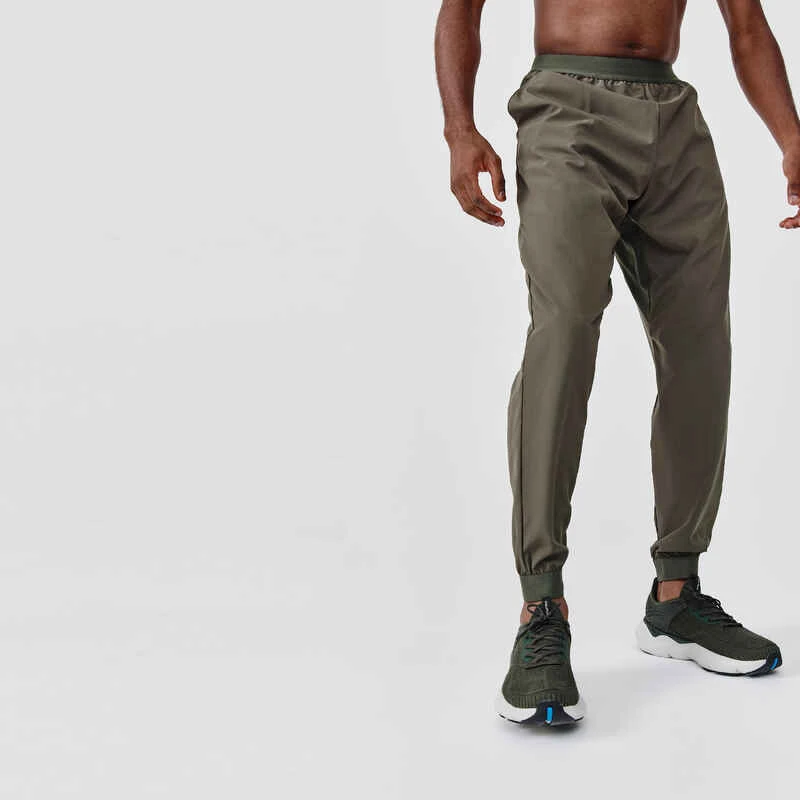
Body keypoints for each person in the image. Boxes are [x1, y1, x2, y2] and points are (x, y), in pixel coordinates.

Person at [434, 0, 798, 726]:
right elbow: (461, 9)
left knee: (701, 347)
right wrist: (459, 128)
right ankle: (541, 608)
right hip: (566, 109)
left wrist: (791, 136)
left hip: (674, 121)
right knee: (565, 334)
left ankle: (676, 599)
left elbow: (747, 25)